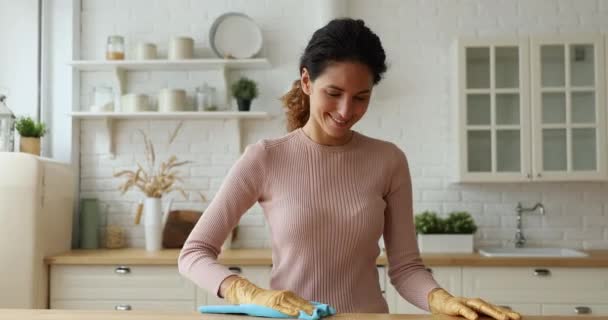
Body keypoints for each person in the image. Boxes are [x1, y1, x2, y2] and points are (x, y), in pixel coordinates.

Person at [178, 18, 521, 320]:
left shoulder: (388, 161)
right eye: (334, 92)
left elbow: (405, 268)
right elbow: (194, 253)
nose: (346, 110)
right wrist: (249, 293)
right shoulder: (266, 158)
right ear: (306, 82)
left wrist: (441, 299)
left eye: (361, 97)